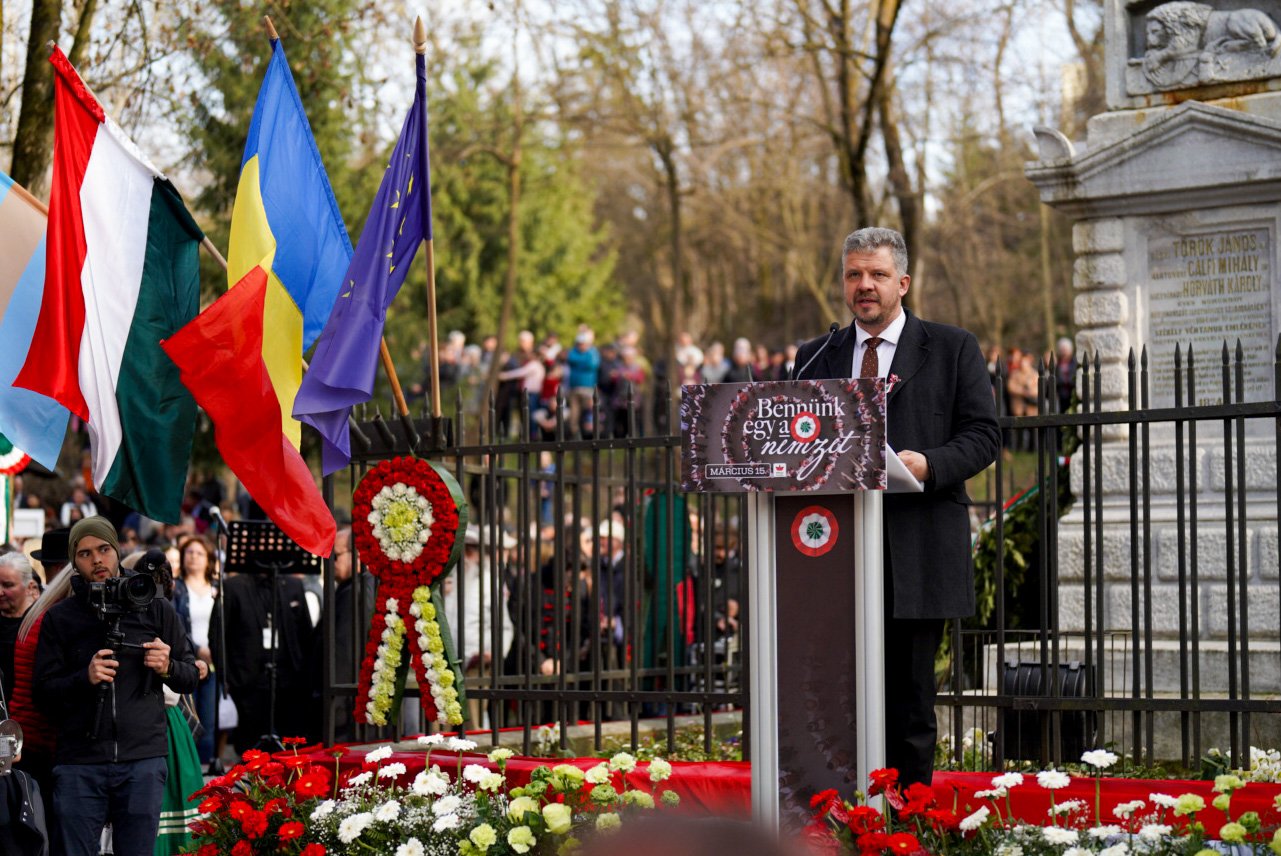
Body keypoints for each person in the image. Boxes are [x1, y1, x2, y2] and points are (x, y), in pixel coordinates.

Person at [793, 227, 999, 787]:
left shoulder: (953, 348)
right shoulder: (814, 356)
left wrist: (928, 464)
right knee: (837, 703)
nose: (866, 286)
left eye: (878, 275)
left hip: (916, 552)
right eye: (855, 275)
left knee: (909, 708)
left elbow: (984, 435)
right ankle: (840, 825)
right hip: (830, 558)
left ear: (902, 283)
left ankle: (907, 825)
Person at [29, 516, 199, 856]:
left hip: (143, 760)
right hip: (80, 762)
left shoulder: (155, 607)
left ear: (117, 550)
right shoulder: (61, 618)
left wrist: (167, 667)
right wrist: (84, 677)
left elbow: (190, 674)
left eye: (104, 549)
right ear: (74, 562)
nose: (96, 560)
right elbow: (43, 694)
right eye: (85, 553)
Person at [173, 535, 218, 765]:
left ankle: (206, 768)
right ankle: (190, 768)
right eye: (189, 552)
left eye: (199, 553)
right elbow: (176, 626)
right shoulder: (177, 588)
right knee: (189, 718)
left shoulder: (217, 588)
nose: (193, 557)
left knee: (209, 719)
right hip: (189, 660)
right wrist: (199, 649)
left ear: (209, 558)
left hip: (214, 662)